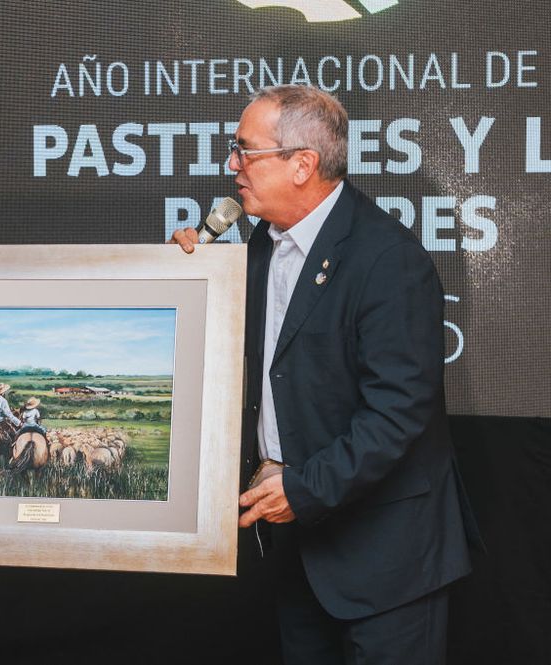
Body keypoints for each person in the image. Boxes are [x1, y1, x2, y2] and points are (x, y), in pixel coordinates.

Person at [171, 85, 481, 664]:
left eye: (244, 150)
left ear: (302, 165)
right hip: (303, 550)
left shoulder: (388, 260)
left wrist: (303, 488)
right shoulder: (262, 243)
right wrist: (188, 279)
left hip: (387, 560)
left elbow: (397, 414)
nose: (231, 164)